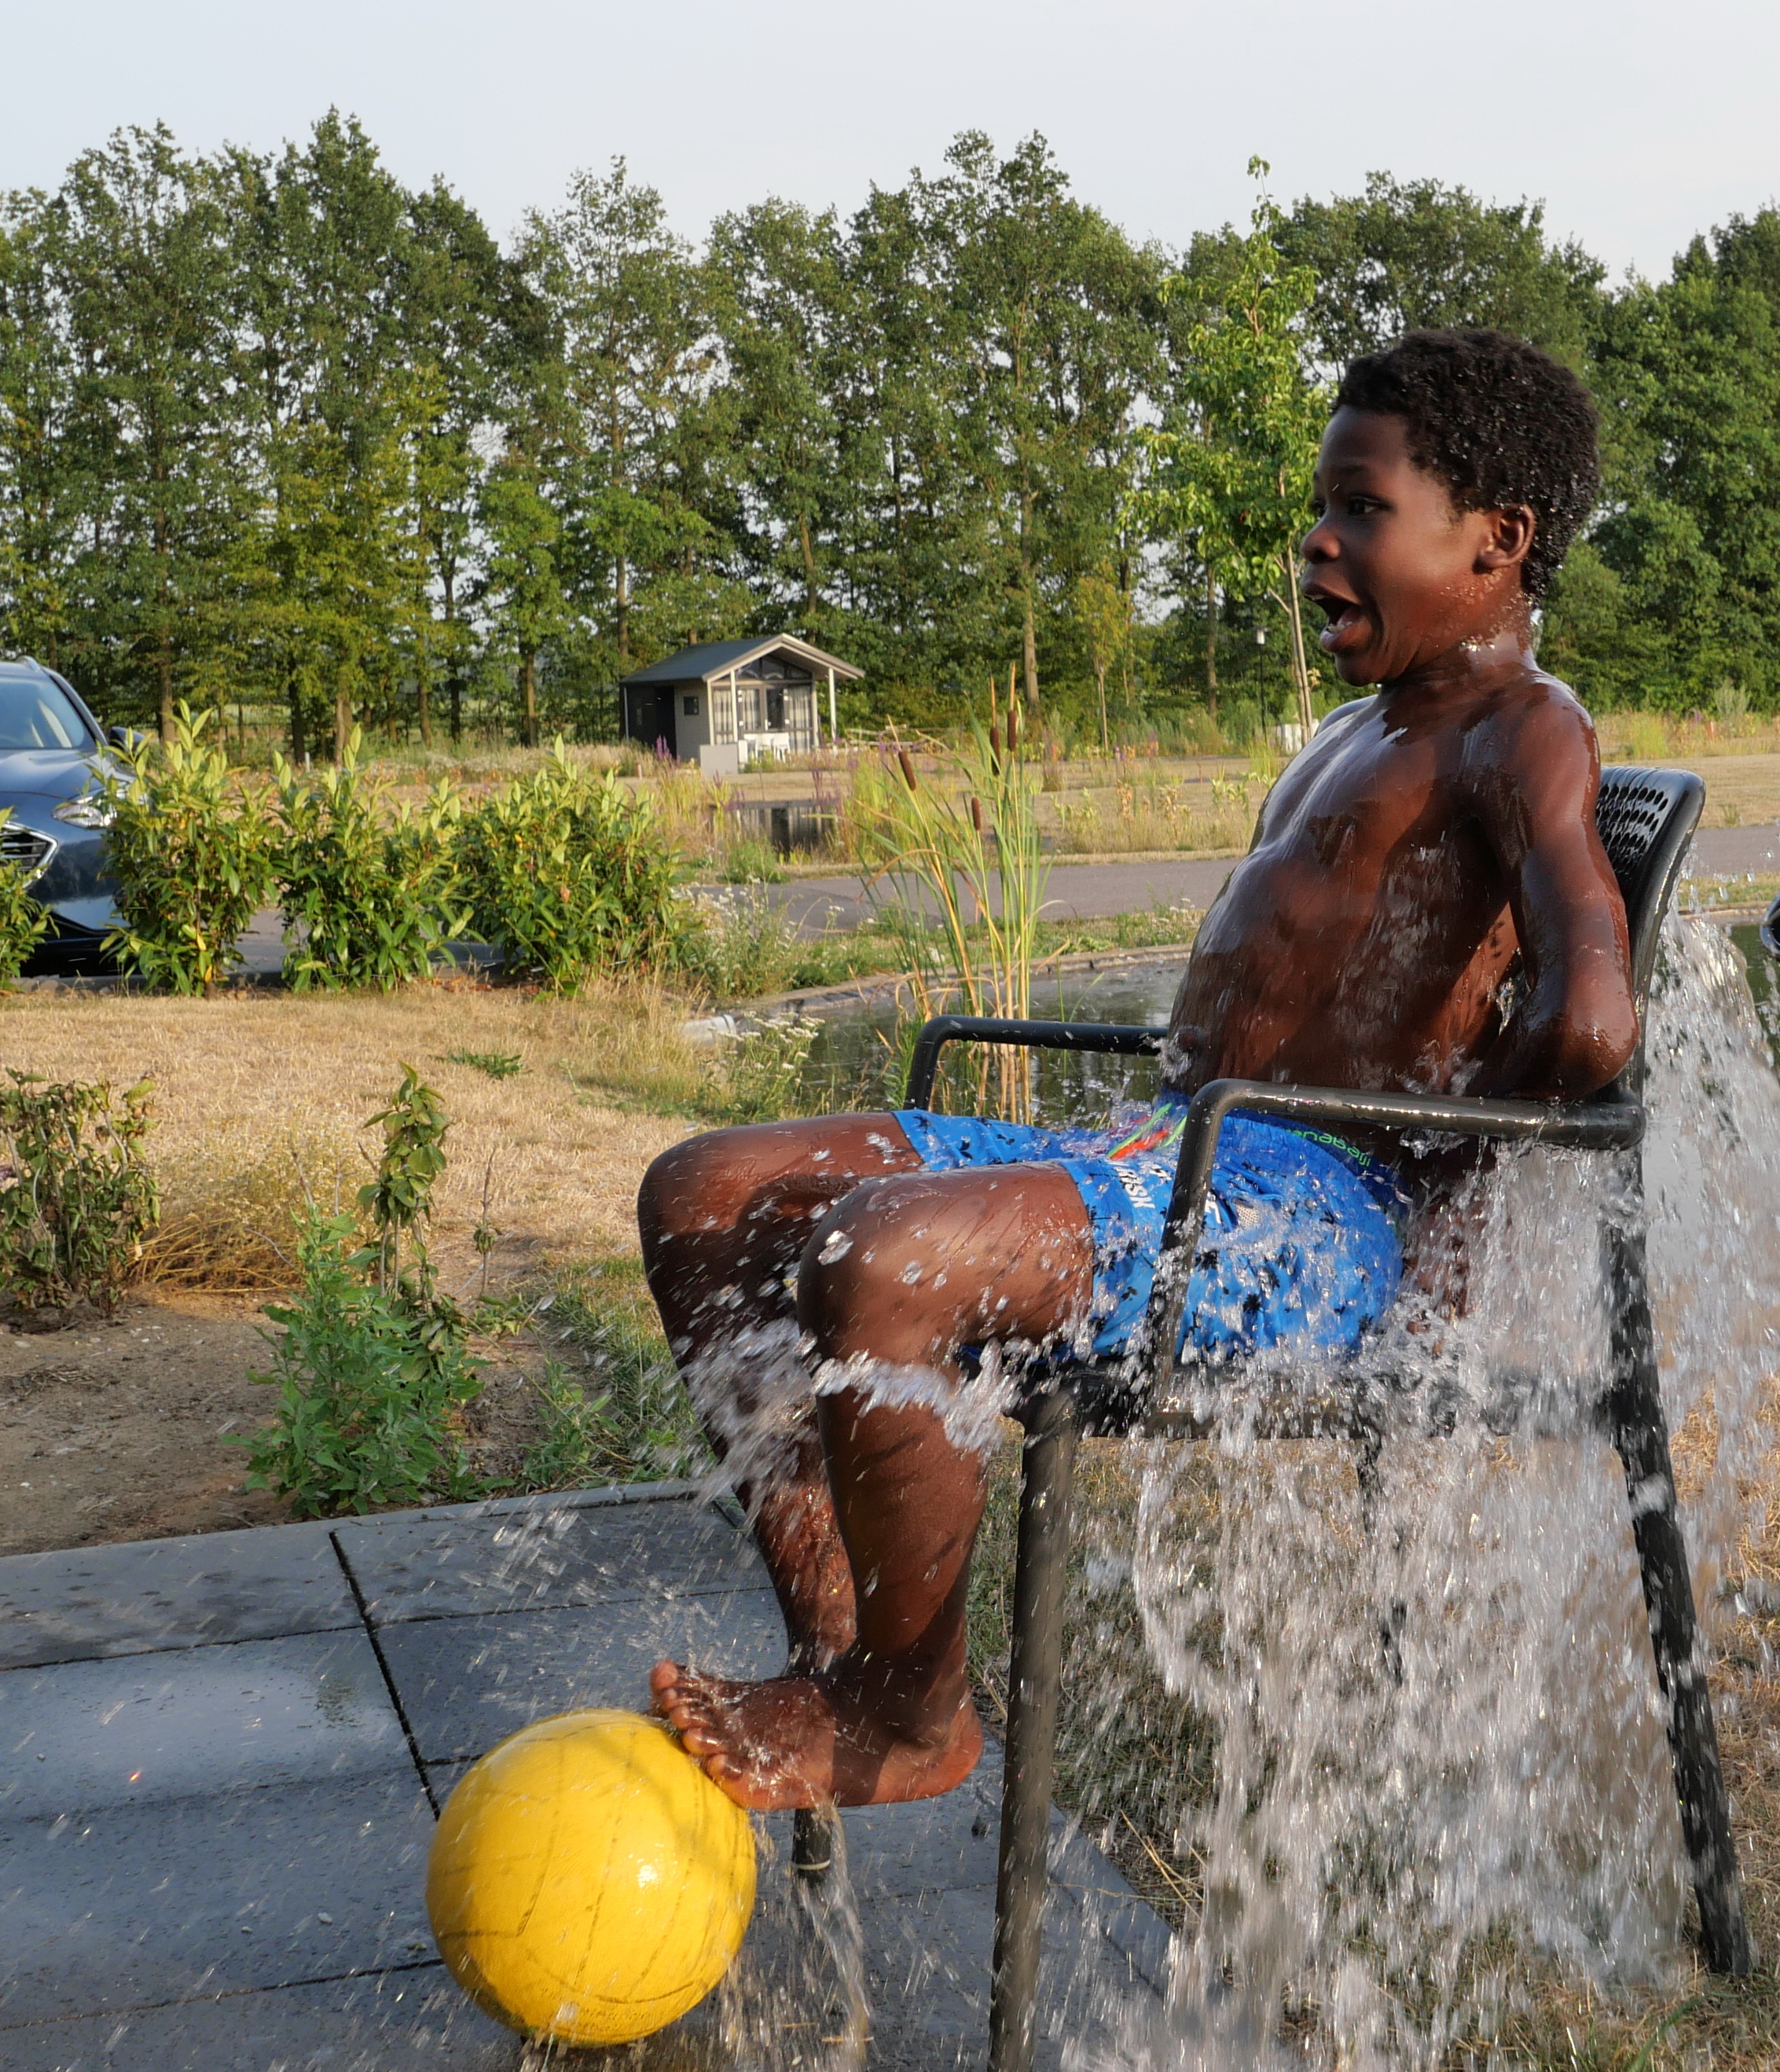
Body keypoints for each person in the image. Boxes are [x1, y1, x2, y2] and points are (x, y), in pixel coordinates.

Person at [639, 329, 1636, 1813]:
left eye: (1363, 508)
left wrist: (1447, 1184)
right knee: (710, 1190)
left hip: (1315, 1217)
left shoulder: (1521, 732)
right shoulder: (1350, 736)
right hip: (1167, 1155)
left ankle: (916, 1721)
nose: (1316, 537)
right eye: (1323, 505)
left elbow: (1594, 1019)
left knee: (883, 1260)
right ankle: (845, 1652)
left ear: (1497, 541)